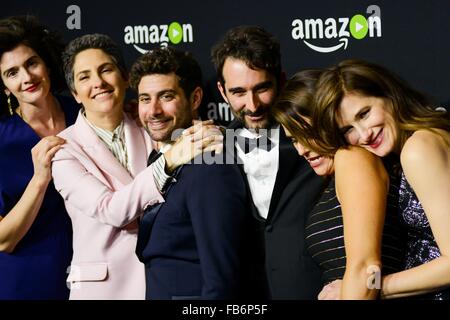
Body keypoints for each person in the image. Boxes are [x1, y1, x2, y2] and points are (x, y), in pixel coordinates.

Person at [52, 34, 223, 300]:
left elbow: (192, 135)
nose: (98, 82)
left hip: (161, 284)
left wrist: (217, 135)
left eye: (106, 70)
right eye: (84, 77)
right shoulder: (63, 150)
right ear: (75, 93)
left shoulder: (150, 127)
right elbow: (110, 210)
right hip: (104, 290)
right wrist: (167, 162)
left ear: (124, 78)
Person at [313, 59, 450, 299]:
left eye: (364, 114)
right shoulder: (419, 142)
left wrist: (372, 285)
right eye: (348, 130)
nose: (364, 134)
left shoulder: (418, 148)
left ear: (389, 94)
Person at [211, 25, 325, 299]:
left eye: (261, 88)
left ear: (281, 80)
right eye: (238, 92)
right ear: (222, 92)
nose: (252, 105)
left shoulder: (316, 141)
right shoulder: (212, 151)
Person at [272, 69, 404, 299]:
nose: (301, 149)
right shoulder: (334, 175)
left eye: (307, 133)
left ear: (331, 120)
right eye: (294, 139)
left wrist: (365, 287)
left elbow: (367, 269)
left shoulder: (352, 157)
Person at [130, 46, 248, 300]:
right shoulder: (157, 160)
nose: (153, 111)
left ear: (195, 99)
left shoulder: (210, 166)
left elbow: (222, 277)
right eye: (144, 99)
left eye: (166, 96)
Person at [0, 15, 77, 300]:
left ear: (46, 64)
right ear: (5, 86)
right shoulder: (2, 140)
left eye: (32, 63)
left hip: (94, 276)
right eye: (12, 73)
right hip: (26, 281)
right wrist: (40, 179)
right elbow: (3, 240)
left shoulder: (83, 114)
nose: (26, 78)